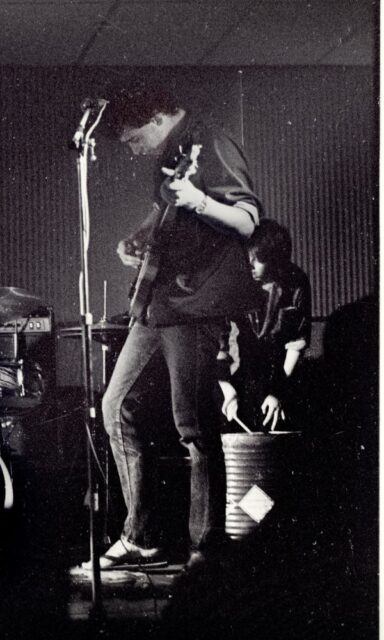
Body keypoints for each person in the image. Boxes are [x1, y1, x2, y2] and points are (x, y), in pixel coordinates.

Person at [91, 78, 263, 571]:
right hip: (158, 301)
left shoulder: (212, 141)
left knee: (193, 425)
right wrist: (138, 237)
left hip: (197, 302)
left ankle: (206, 547)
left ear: (158, 117)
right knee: (114, 406)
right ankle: (140, 536)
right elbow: (164, 210)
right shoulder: (170, 151)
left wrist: (200, 201)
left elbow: (248, 220)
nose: (132, 149)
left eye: (134, 138)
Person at [218, 219, 311, 432]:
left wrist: (277, 391)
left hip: (281, 374)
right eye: (247, 258)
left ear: (275, 260)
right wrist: (227, 390)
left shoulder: (296, 282)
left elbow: (296, 343)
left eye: (257, 261)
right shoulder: (234, 283)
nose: (250, 266)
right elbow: (220, 344)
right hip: (238, 375)